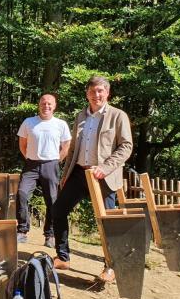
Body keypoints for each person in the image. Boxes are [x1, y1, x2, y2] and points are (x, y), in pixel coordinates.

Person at [52, 75, 133, 283]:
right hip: (79, 173)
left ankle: (111, 267)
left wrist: (105, 168)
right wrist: (65, 174)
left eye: (100, 91)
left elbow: (126, 147)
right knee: (58, 211)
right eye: (92, 91)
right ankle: (62, 257)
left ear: (107, 93)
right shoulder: (81, 116)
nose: (96, 95)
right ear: (87, 94)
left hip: (104, 176)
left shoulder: (118, 116)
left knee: (108, 222)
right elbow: (73, 149)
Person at [15, 94, 71, 247]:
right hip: (31, 165)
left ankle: (50, 235)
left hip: (51, 165)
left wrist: (56, 160)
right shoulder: (29, 122)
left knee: (52, 200)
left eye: (49, 103)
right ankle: (22, 231)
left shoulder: (60, 124)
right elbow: (22, 144)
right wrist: (29, 157)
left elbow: (66, 145)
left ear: (54, 106)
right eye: (43, 103)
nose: (46, 106)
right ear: (39, 105)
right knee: (22, 193)